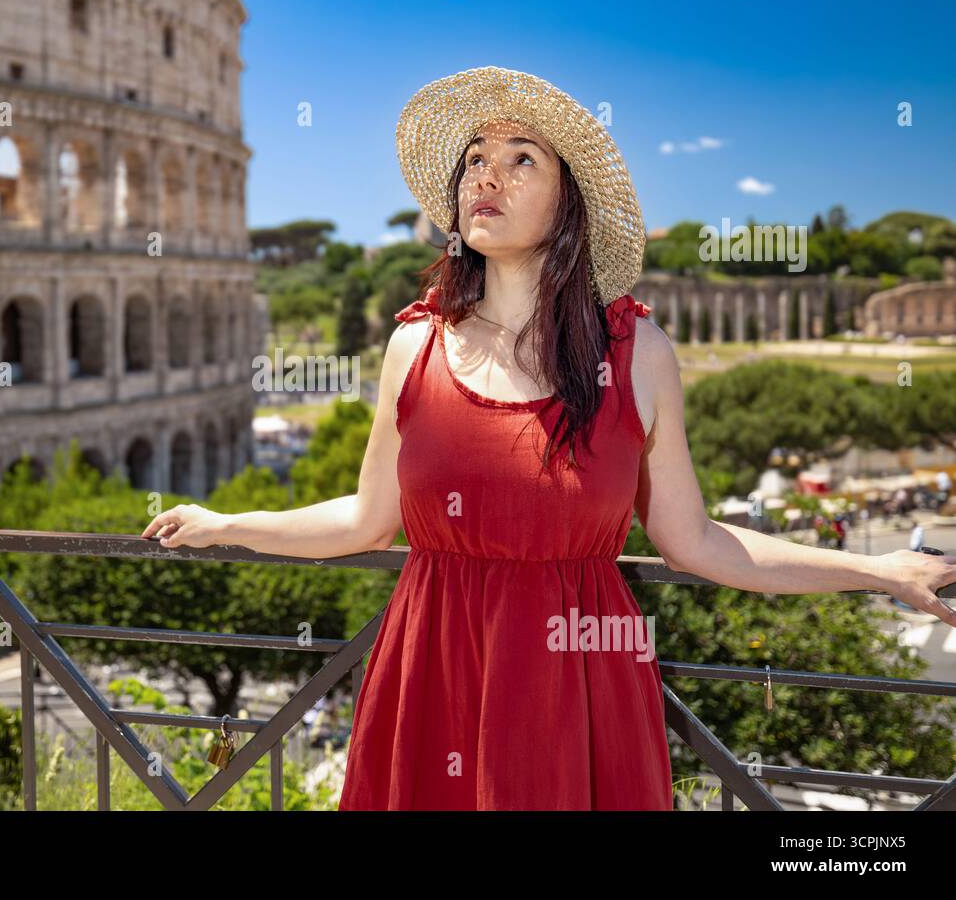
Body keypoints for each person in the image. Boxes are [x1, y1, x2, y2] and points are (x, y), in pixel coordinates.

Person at [140, 66, 956, 811]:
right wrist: (225, 525)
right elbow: (364, 520)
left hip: (580, 691)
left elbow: (697, 541)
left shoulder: (639, 356)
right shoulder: (411, 348)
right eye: (474, 159)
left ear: (570, 202)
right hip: (430, 678)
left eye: (522, 157)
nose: (485, 174)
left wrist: (875, 570)